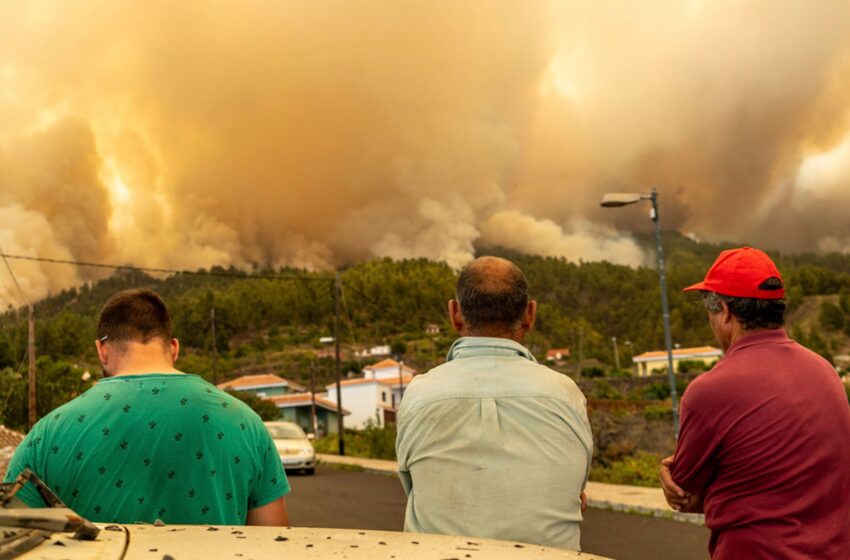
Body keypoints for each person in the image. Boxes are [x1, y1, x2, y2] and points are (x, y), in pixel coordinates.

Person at [4, 289, 290, 526]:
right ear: (174, 348)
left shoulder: (47, 434)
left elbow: (11, 538)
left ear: (102, 350)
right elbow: (275, 545)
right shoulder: (245, 423)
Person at [660, 247, 850, 559]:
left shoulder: (710, 390)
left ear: (724, 311)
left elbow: (684, 495)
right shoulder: (825, 371)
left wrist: (666, 471)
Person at [396, 256, 593, 550]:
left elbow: (415, 486)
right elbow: (575, 493)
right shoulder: (566, 394)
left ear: (455, 314)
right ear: (530, 315)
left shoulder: (420, 393)